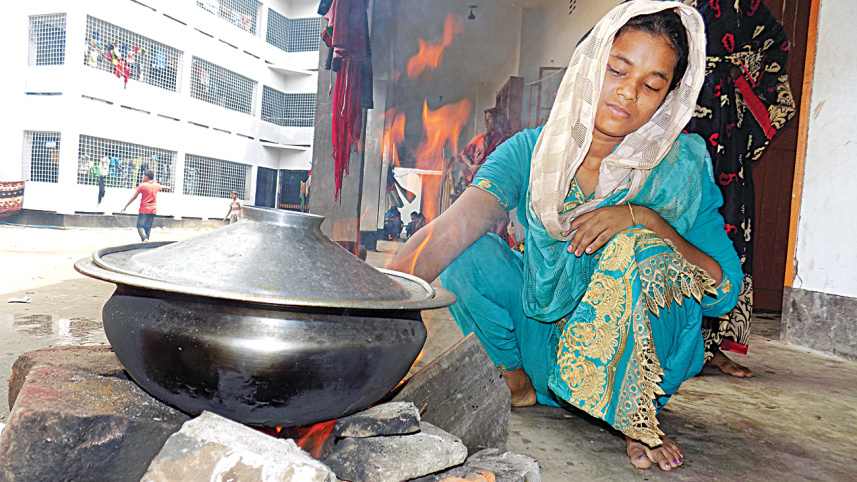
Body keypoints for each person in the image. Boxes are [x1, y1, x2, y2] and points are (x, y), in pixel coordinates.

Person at [389, 1, 741, 472]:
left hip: (639, 367)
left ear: (668, 99)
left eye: (652, 85)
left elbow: (723, 292)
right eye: (617, 70)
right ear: (590, 66)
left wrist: (643, 220)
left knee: (637, 246)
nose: (628, 92)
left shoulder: (681, 170)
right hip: (544, 346)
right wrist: (369, 304)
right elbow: (452, 228)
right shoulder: (532, 151)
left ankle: (632, 416)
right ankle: (519, 382)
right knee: (468, 254)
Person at [121, 169, 170, 242]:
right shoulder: (156, 185)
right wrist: (168, 187)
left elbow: (134, 197)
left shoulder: (142, 185)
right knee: (148, 227)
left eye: (143, 176)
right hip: (153, 210)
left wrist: (125, 206)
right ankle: (146, 242)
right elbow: (162, 187)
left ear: (146, 177)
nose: (143, 177)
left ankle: (144, 238)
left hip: (144, 209)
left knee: (140, 226)